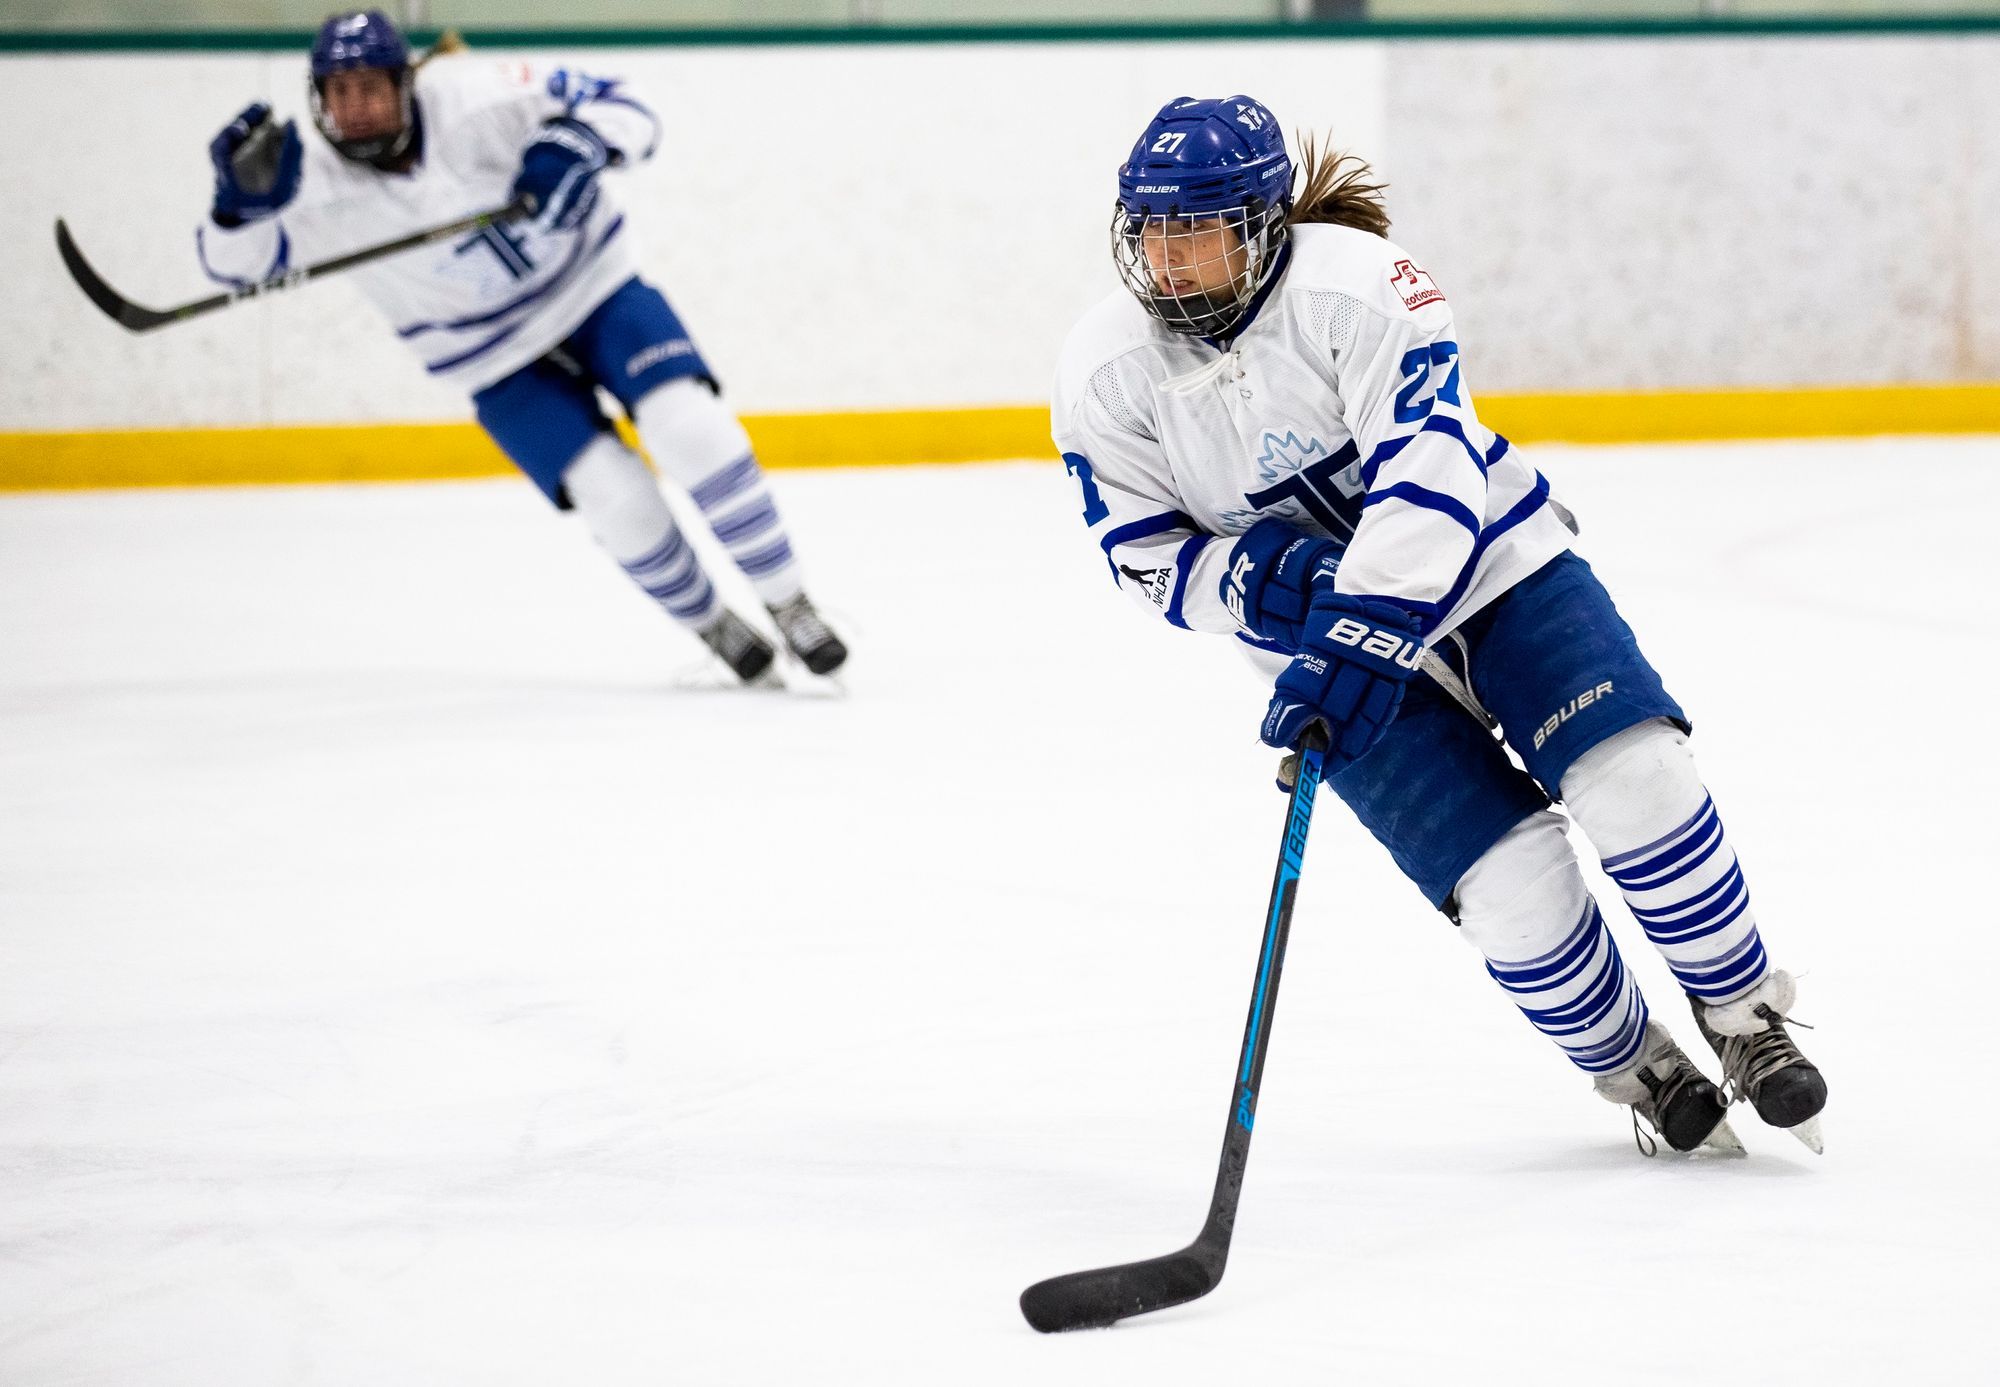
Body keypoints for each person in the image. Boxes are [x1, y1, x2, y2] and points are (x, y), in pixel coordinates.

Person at [1051, 95, 1827, 1155]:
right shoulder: (1103, 369)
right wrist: (1246, 583)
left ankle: (1742, 1017)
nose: (1165, 259)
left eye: (1194, 231)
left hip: (1492, 571)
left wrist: (1356, 625)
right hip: (1324, 650)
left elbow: (1426, 478)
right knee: (1506, 890)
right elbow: (1139, 553)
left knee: (1635, 778)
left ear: (1262, 224)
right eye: (1147, 230)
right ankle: (1636, 1068)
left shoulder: (1360, 286)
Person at [195, 10, 847, 683]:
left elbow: (632, 107)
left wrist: (582, 141)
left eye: (370, 88)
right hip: (487, 357)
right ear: (317, 98)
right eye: (339, 91)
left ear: (405, 82)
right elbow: (233, 268)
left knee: (691, 427)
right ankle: (716, 626)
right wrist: (235, 210)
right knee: (614, 497)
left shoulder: (478, 95)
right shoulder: (305, 177)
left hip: (595, 288)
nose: (354, 108)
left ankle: (792, 604)